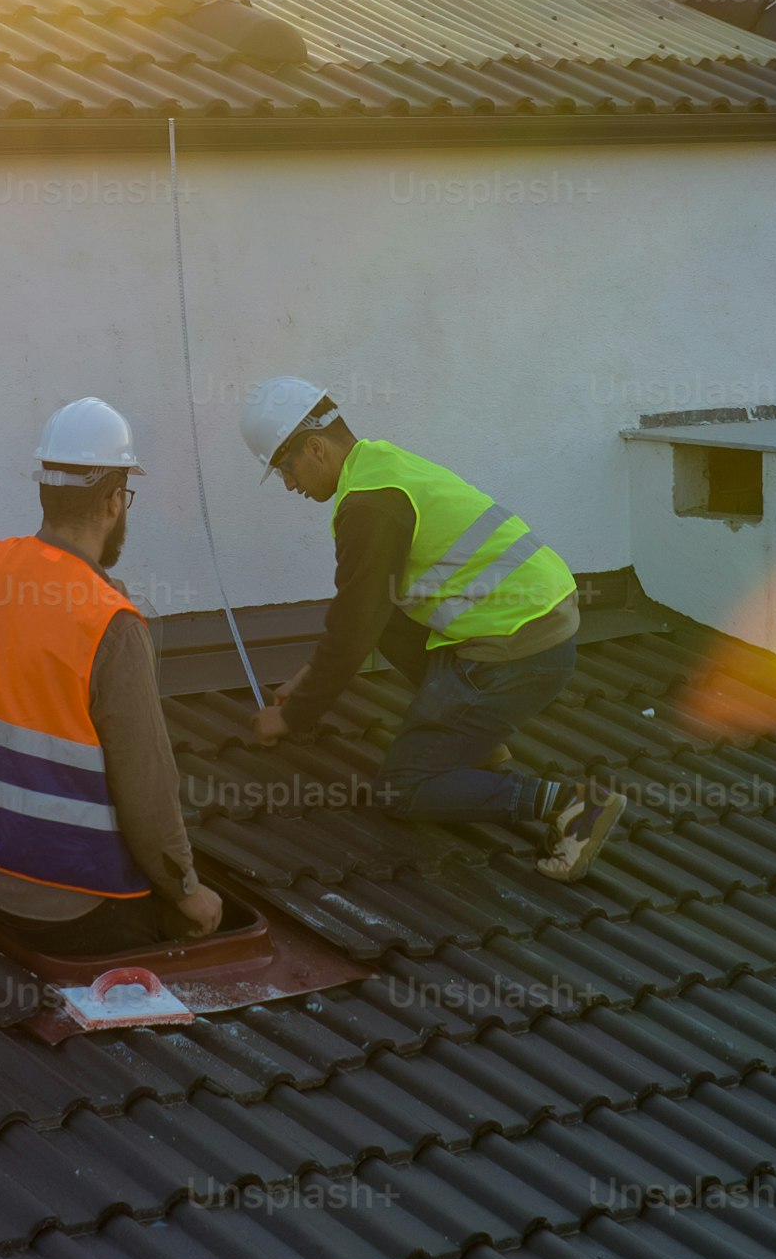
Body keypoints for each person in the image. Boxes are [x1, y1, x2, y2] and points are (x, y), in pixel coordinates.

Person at [240, 374, 621, 880]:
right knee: (385, 608)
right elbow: (365, 612)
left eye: (286, 468)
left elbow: (352, 629)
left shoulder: (369, 506)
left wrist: (295, 717)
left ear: (315, 447)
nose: (289, 484)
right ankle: (475, 741)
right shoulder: (380, 466)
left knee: (403, 788)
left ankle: (574, 805)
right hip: (526, 621)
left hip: (520, 644)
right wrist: (308, 680)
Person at [0, 397, 224, 958]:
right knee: (188, 927)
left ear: (45, 492)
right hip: (72, 905)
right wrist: (186, 890)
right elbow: (148, 789)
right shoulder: (112, 623)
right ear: (115, 502)